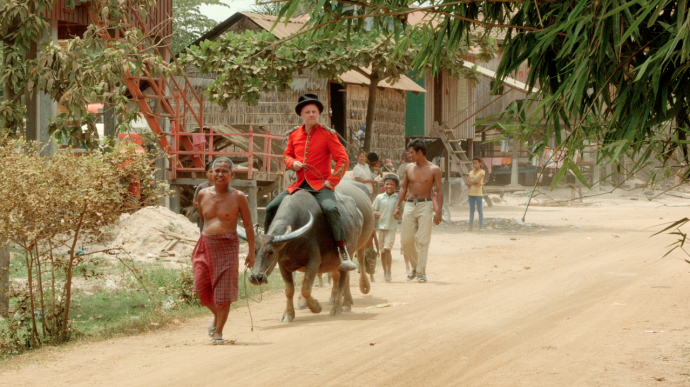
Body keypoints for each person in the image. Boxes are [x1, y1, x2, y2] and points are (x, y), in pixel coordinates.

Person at [264, 93, 356, 271]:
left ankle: (342, 249)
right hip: (298, 185)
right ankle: (267, 246)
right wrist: (292, 163)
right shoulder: (293, 135)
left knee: (331, 208)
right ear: (302, 115)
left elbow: (342, 159)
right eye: (308, 112)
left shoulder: (328, 134)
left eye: (314, 111)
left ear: (318, 114)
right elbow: (286, 155)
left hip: (321, 185)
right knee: (270, 208)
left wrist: (332, 181)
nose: (311, 115)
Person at [194, 157, 255, 345]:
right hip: (205, 244)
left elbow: (248, 225)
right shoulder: (202, 194)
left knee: (224, 292)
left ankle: (218, 331)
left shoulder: (238, 197)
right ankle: (217, 317)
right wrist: (205, 237)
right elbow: (203, 221)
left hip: (227, 244)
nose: (219, 174)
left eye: (224, 171)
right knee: (200, 287)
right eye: (216, 170)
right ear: (211, 172)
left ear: (232, 175)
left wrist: (251, 251)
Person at [394, 139, 443, 283]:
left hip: (425, 205)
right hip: (409, 205)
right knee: (406, 241)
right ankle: (415, 267)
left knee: (423, 240)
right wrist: (397, 206)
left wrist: (438, 211)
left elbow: (439, 191)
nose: (409, 155)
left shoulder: (434, 169)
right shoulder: (408, 167)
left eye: (411, 152)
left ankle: (421, 272)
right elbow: (403, 187)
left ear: (420, 152)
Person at [373, 175, 400, 282]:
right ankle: (385, 272)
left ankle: (389, 271)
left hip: (391, 227)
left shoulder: (398, 198)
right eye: (387, 184)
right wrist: (374, 213)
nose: (389, 186)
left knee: (387, 249)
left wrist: (399, 214)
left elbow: (403, 210)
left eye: (392, 184)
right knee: (382, 252)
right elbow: (373, 209)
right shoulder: (379, 197)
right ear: (383, 185)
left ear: (396, 186)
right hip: (381, 227)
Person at [193, 160, 215, 232]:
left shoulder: (222, 187)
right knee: (205, 240)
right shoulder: (201, 187)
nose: (213, 174)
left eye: (215, 171)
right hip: (204, 219)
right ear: (206, 173)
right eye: (210, 171)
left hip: (219, 220)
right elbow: (195, 203)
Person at [467, 157, 486, 231]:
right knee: (471, 210)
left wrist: (471, 182)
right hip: (471, 194)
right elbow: (466, 182)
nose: (474, 165)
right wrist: (474, 183)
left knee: (479, 210)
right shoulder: (471, 172)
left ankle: (480, 226)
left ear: (480, 163)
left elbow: (476, 181)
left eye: (476, 163)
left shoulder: (482, 172)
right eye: (473, 163)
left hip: (478, 194)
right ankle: (470, 226)